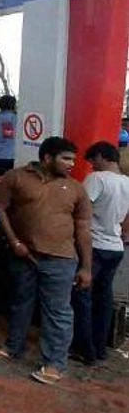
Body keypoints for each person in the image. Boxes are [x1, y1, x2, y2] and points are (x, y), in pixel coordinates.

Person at [0, 137, 92, 385]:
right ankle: (13, 347)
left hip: (62, 259)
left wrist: (86, 266)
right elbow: (0, 208)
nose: (71, 164)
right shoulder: (16, 177)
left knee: (58, 312)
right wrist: (14, 242)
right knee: (20, 303)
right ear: (47, 158)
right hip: (23, 256)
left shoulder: (75, 188)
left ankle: (54, 364)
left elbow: (84, 228)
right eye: (66, 158)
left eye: (73, 159)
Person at [71, 142, 129, 365]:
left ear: (102, 157)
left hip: (94, 246)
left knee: (82, 297)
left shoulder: (98, 179)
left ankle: (84, 349)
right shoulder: (127, 182)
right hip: (115, 248)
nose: (92, 166)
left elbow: (81, 208)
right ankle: (100, 347)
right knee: (104, 299)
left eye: (93, 160)